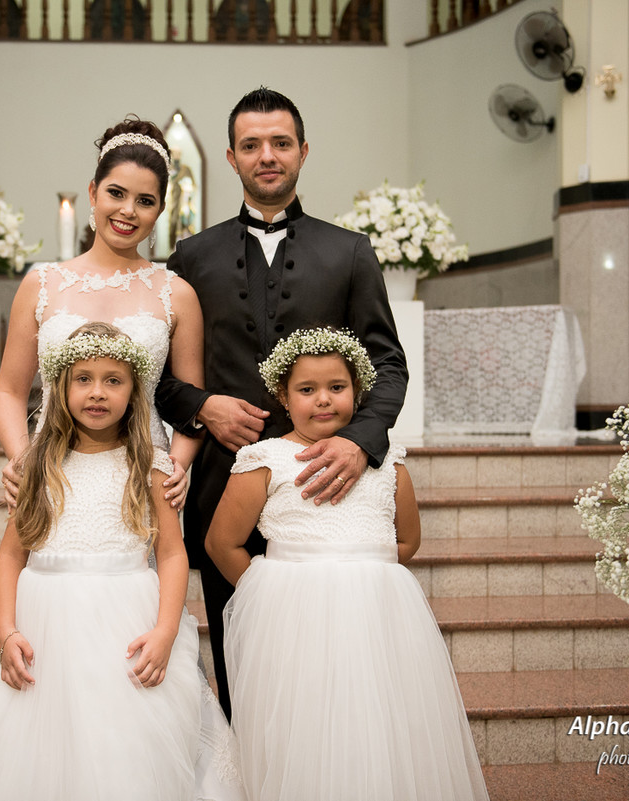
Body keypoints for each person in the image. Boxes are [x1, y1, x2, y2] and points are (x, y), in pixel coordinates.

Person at [0, 323, 243, 801]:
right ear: (60, 387)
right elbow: (8, 558)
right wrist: (6, 632)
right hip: (43, 624)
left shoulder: (152, 465)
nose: (97, 392)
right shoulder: (37, 465)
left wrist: (166, 630)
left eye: (113, 380)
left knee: (122, 747)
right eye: (82, 378)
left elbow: (170, 553)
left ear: (135, 390)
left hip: (128, 621)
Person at [155, 88, 408, 716]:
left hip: (328, 480)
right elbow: (156, 377)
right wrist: (204, 405)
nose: (267, 156)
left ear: (301, 152)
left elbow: (389, 363)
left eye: (280, 143)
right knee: (238, 644)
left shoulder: (349, 251)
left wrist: (359, 440)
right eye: (251, 145)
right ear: (232, 158)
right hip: (223, 481)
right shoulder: (190, 256)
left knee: (338, 653)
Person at [206, 328, 487, 801]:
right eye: (307, 390)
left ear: (357, 391)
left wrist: (362, 572)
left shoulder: (388, 462)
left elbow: (408, 541)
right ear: (282, 395)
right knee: (304, 717)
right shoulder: (266, 459)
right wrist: (270, 587)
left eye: (337, 388)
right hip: (292, 614)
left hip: (376, 615)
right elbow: (222, 543)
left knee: (380, 718)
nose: (323, 400)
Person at [0, 117, 204, 512]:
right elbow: (9, 390)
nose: (128, 211)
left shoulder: (177, 294)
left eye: (145, 201)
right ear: (93, 192)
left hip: (143, 473)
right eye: (116, 193)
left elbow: (193, 403)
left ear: (159, 209)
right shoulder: (41, 284)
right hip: (53, 468)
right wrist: (22, 459)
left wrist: (177, 466)